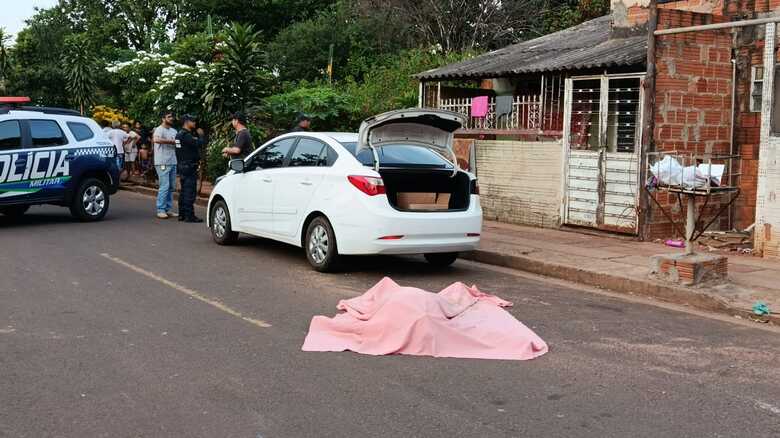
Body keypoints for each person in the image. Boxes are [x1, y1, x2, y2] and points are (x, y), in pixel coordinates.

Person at [175, 115, 205, 223]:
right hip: (189, 166)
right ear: (187, 122)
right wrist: (201, 136)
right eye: (193, 121)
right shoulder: (186, 135)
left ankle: (182, 214)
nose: (195, 123)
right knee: (189, 192)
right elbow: (198, 144)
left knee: (183, 192)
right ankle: (189, 216)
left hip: (182, 165)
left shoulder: (179, 134)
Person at [152, 111, 178, 219]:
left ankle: (168, 209)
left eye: (172, 117)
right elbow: (156, 140)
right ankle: (160, 210)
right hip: (162, 162)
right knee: (165, 186)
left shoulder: (174, 131)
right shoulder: (159, 129)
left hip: (173, 161)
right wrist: (171, 142)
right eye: (169, 117)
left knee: (171, 187)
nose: (171, 118)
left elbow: (178, 142)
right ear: (163, 119)